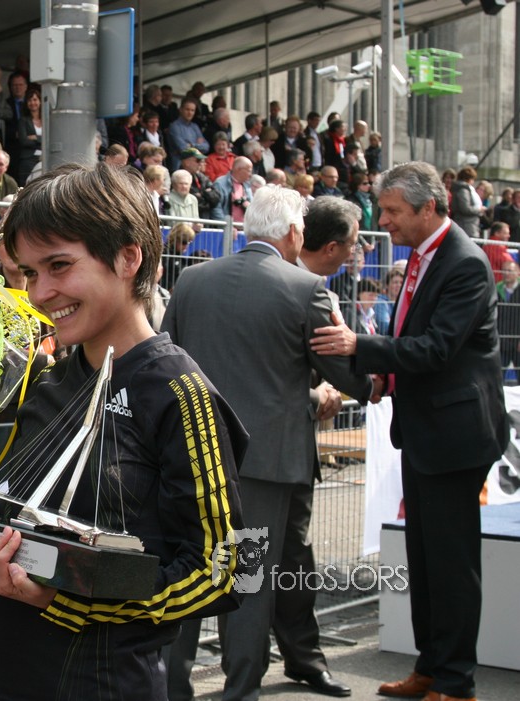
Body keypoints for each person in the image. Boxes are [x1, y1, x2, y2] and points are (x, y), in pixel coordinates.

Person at [0, 162, 247, 700]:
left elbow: (224, 572)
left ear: (128, 257)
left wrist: (66, 602)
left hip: (104, 684)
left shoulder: (180, 392)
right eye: (30, 272)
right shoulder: (51, 380)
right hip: (0, 673)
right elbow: (8, 522)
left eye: (59, 265)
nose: (40, 292)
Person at [164, 185, 372, 701]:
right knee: (248, 583)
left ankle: (170, 688)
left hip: (195, 457)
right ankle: (240, 689)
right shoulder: (306, 288)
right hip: (265, 465)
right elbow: (344, 371)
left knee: (188, 572)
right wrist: (373, 372)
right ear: (295, 232)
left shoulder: (192, 280)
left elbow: (168, 361)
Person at [310, 161, 508, 701]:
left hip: (455, 436)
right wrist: (384, 378)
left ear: (429, 208)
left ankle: (456, 681)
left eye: (393, 211)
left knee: (450, 564)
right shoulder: (424, 256)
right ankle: (431, 667)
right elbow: (415, 341)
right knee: (423, 560)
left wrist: (360, 346)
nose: (384, 221)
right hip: (426, 431)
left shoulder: (465, 263)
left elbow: (437, 348)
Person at [16, 87, 43, 183]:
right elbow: (23, 141)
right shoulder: (23, 120)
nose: (32, 103)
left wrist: (36, 137)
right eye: (30, 100)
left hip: (44, 158)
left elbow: (51, 139)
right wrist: (42, 141)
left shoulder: (47, 119)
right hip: (28, 159)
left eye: (35, 99)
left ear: (40, 101)